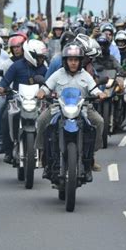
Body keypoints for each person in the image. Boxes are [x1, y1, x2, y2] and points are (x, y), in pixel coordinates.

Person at [36, 44, 106, 182]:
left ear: (80, 61)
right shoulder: (58, 74)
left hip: (83, 108)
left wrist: (100, 93)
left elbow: (94, 89)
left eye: (76, 60)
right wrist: (41, 92)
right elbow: (46, 87)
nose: (73, 63)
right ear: (65, 61)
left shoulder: (85, 75)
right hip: (59, 108)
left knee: (99, 121)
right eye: (70, 60)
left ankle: (91, 155)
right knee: (41, 120)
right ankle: (43, 152)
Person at [0, 39, 48, 163]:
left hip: (37, 102)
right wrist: (2, 88)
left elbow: (50, 82)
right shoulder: (16, 66)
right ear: (31, 55)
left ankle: (47, 152)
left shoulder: (43, 68)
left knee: (49, 121)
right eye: (39, 57)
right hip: (17, 100)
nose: (41, 60)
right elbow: (5, 80)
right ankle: (8, 151)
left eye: (42, 57)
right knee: (4, 117)